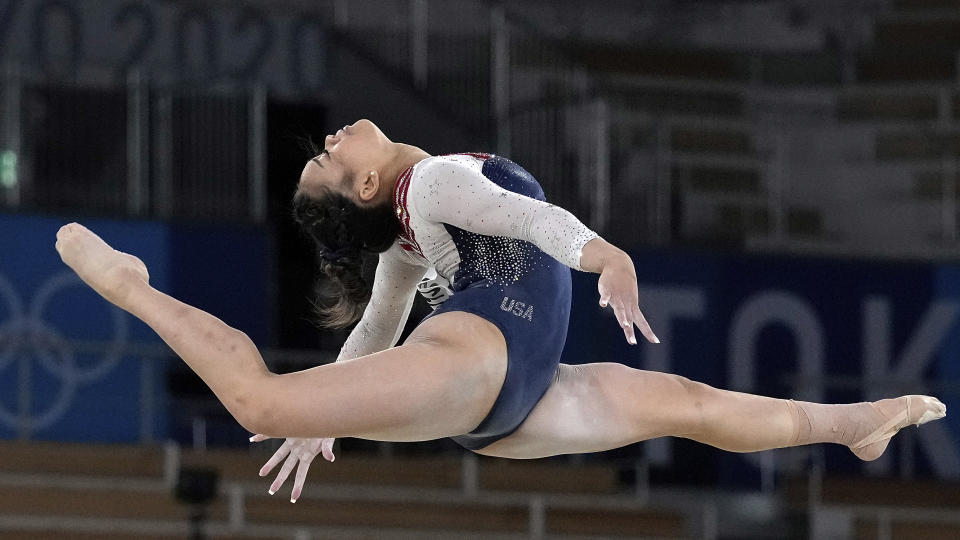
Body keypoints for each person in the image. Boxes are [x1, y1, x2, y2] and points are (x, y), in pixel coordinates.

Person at [56, 119, 946, 504]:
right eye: (327, 161)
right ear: (368, 184)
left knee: (692, 403)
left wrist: (332, 405)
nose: (330, 141)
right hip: (487, 361)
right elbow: (525, 222)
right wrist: (604, 254)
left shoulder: (413, 228)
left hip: (516, 398)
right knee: (260, 402)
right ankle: (133, 287)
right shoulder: (433, 181)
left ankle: (853, 425)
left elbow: (375, 328)